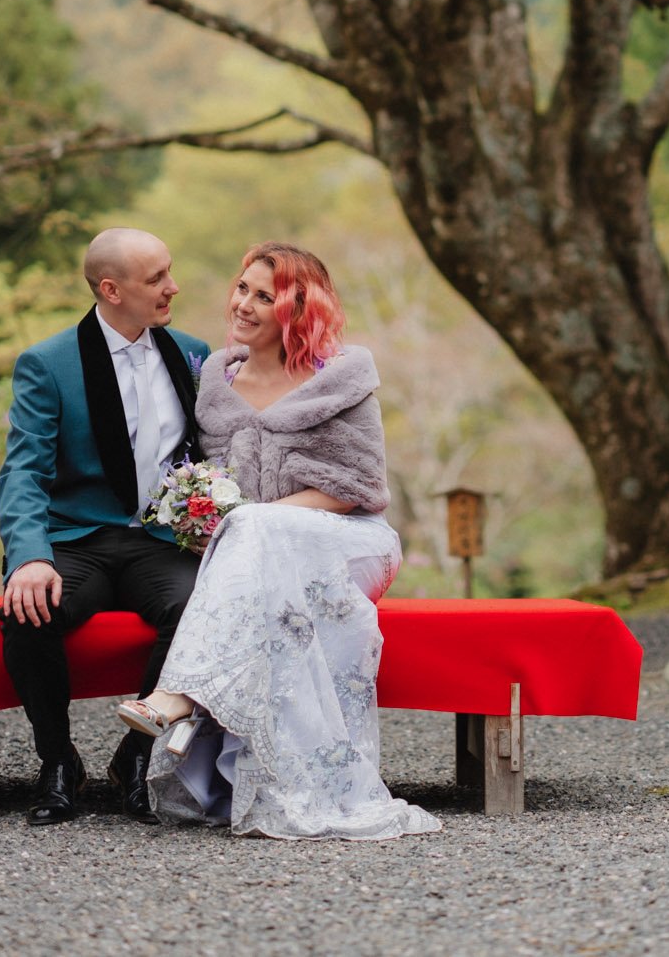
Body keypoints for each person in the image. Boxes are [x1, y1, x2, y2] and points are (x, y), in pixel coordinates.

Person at [117, 242, 440, 840]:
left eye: (264, 296)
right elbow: (219, 484)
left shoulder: (338, 379)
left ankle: (182, 695)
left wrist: (251, 521)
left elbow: (356, 486)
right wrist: (207, 512)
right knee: (253, 541)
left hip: (349, 540)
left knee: (254, 528)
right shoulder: (216, 377)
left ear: (297, 309)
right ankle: (216, 721)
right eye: (242, 287)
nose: (243, 303)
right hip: (257, 551)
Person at [0, 227, 212, 826]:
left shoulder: (194, 354)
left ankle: (135, 758)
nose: (174, 287)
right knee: (25, 609)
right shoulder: (48, 363)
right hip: (75, 541)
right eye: (157, 279)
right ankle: (58, 760)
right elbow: (22, 471)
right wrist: (29, 556)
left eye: (170, 270)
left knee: (203, 605)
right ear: (112, 290)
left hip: (160, 542)